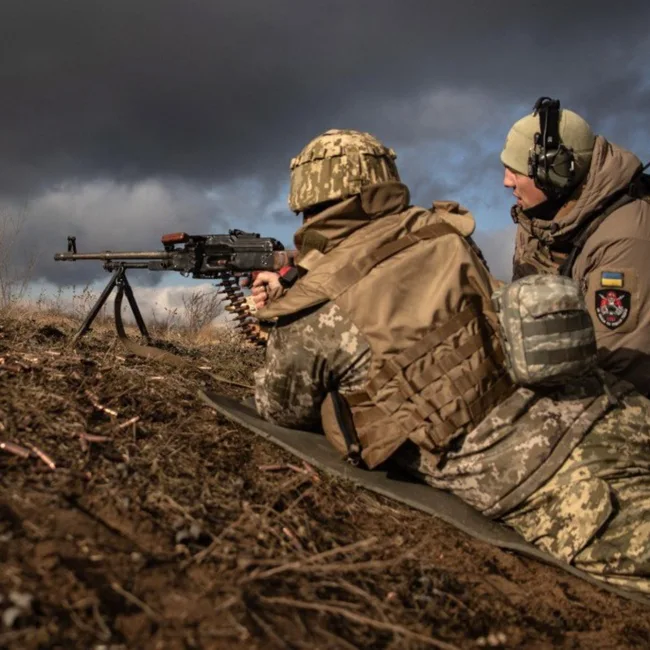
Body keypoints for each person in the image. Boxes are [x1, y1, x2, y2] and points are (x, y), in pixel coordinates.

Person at [252, 128, 650, 595]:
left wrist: (277, 315)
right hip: (605, 406)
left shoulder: (314, 308)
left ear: (308, 202)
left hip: (539, 476)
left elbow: (281, 408)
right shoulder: (443, 231)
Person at [501, 97, 650, 395]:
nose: (507, 181)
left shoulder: (625, 237)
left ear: (555, 173)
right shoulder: (539, 221)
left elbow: (622, 370)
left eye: (517, 171)